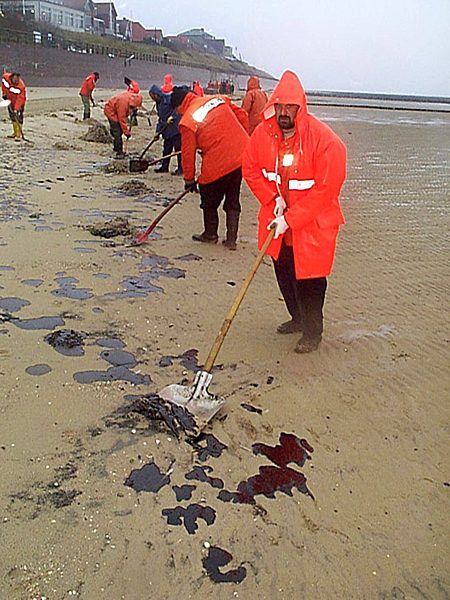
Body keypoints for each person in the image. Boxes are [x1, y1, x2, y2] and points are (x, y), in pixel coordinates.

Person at [242, 70, 346, 353]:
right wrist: (271, 197)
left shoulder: (325, 141)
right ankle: (296, 318)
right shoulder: (263, 134)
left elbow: (326, 190)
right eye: (280, 106)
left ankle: (313, 332)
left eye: (290, 107)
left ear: (300, 107)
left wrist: (292, 218)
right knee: (283, 270)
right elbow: (250, 168)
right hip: (277, 220)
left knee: (310, 279)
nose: (284, 112)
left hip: (313, 225)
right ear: (273, 105)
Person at [171, 86, 249, 250]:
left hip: (219, 159)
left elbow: (187, 153)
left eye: (177, 111)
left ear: (179, 105)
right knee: (232, 197)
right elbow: (242, 114)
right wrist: (243, 137)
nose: (178, 114)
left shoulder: (187, 121)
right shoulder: (218, 99)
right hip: (242, 154)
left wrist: (189, 180)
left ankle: (210, 234)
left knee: (208, 194)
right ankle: (231, 240)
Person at [149, 84, 182, 175]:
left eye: (152, 96)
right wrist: (157, 132)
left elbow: (177, 108)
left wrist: (173, 116)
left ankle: (181, 168)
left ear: (156, 94)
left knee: (178, 150)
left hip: (175, 128)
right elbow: (161, 119)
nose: (152, 99)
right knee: (166, 149)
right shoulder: (158, 104)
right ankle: (164, 167)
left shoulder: (169, 99)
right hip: (166, 130)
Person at [104, 90, 143, 158]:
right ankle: (118, 151)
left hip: (115, 109)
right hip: (110, 111)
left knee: (119, 130)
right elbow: (121, 119)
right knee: (117, 131)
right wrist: (126, 132)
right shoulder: (123, 103)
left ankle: (116, 144)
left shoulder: (131, 98)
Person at [2, 71, 27, 141]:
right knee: (12, 116)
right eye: (15, 79)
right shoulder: (5, 78)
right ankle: (15, 132)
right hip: (10, 100)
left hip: (19, 103)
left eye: (17, 79)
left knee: (18, 117)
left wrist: (16, 109)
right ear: (11, 77)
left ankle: (18, 133)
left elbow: (20, 99)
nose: (16, 81)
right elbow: (4, 85)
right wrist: (4, 93)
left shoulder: (21, 86)